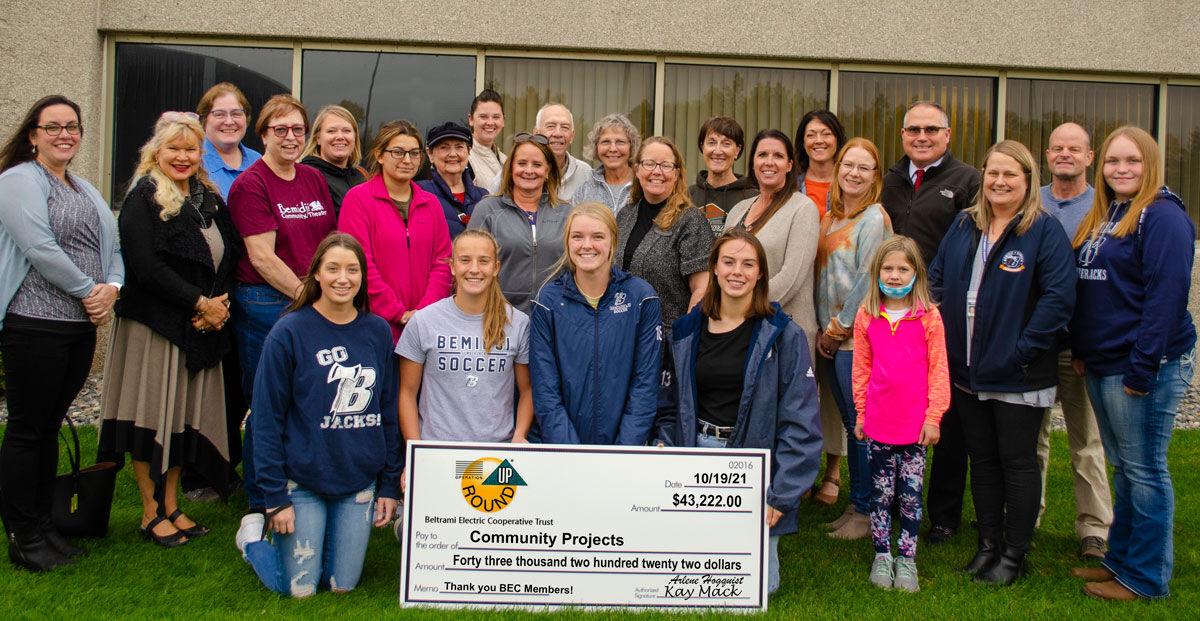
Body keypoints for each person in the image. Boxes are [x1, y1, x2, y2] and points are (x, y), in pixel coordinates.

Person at [930, 140, 1076, 585]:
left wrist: (1024, 349)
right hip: (967, 370)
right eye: (993, 173)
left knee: (1017, 462)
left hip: (1018, 372)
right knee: (983, 460)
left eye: (1010, 174)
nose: (999, 182)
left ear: (1028, 180)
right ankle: (988, 545)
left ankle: (1014, 554)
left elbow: (1058, 299)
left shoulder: (1043, 231)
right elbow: (936, 279)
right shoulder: (963, 225)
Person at [98, 112, 240, 547]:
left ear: (202, 154)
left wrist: (217, 306)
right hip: (155, 327)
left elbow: (230, 253)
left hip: (199, 327)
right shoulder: (144, 198)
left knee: (181, 420)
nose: (182, 156)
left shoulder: (207, 197)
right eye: (174, 148)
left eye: (190, 149)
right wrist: (199, 303)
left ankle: (173, 505)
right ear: (155, 152)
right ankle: (148, 511)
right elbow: (146, 266)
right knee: (151, 418)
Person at [1069, 126, 1195, 601]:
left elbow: (1166, 299)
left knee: (1145, 470)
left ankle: (1145, 577)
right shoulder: (1111, 214)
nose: (1121, 170)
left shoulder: (1162, 217)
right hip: (1104, 361)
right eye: (1113, 162)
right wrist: (1084, 350)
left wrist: (1143, 368)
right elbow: (1097, 292)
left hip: (1142, 366)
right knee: (1124, 466)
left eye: (1132, 161)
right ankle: (1119, 562)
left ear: (1151, 165)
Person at [238, 233, 400, 597]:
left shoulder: (376, 332)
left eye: (352, 270)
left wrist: (388, 485)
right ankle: (252, 542)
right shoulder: (289, 331)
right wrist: (274, 497)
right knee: (299, 589)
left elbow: (388, 413)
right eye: (333, 269)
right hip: (302, 480)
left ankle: (321, 546)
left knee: (342, 585)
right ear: (316, 275)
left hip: (357, 481)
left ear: (362, 278)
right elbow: (265, 420)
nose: (343, 278)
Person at [0, 95, 124, 571]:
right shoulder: (17, 182)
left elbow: (111, 244)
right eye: (52, 127)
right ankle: (22, 532)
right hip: (34, 323)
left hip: (78, 326)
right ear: (33, 134)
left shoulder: (83, 187)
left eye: (72, 126)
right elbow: (39, 246)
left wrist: (112, 287)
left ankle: (44, 524)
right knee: (28, 429)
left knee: (50, 426)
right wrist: (88, 290)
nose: (64, 134)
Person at [665, 227, 821, 595]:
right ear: (714, 269)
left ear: (760, 274)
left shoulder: (783, 335)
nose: (738, 272)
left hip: (753, 462)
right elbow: (668, 402)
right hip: (696, 451)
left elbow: (802, 422)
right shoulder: (687, 330)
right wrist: (663, 442)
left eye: (748, 264)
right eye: (729, 262)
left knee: (758, 588)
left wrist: (782, 494)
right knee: (688, 580)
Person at [227, 94, 335, 511]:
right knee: (268, 403)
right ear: (264, 134)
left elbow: (325, 240)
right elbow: (262, 257)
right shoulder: (250, 185)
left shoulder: (311, 178)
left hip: (309, 300)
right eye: (280, 130)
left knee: (305, 399)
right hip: (266, 303)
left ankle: (296, 485)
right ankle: (261, 499)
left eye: (298, 130)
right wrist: (309, 296)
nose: (290, 138)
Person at [881, 100, 982, 545]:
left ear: (947, 133)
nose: (921, 137)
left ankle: (942, 514)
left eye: (931, 129)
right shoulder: (890, 179)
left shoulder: (967, 181)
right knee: (895, 405)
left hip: (941, 314)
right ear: (903, 135)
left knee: (943, 415)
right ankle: (891, 504)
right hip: (890, 315)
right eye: (913, 130)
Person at [1030, 122, 1113, 561]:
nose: (1065, 154)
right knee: (1033, 439)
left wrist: (1089, 346)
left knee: (1086, 441)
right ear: (1047, 156)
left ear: (1089, 157)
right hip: (1036, 343)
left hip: (1080, 346)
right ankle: (1029, 515)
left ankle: (1094, 529)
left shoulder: (1103, 208)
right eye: (1058, 148)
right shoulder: (1032, 202)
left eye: (1074, 149)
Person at [852, 235, 949, 592]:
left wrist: (933, 416)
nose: (894, 276)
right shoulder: (867, 316)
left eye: (902, 269)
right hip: (878, 421)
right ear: (877, 272)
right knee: (880, 494)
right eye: (888, 269)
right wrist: (861, 413)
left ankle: (906, 558)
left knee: (909, 494)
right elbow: (861, 369)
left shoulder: (929, 318)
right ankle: (881, 554)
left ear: (916, 274)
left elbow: (939, 370)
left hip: (914, 425)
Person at [529, 203, 661, 445]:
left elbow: (645, 385)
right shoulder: (547, 301)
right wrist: (572, 455)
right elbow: (545, 390)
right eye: (577, 237)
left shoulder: (642, 297)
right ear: (567, 242)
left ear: (613, 241)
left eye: (598, 236)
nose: (587, 245)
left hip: (624, 454)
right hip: (564, 453)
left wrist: (623, 453)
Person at [814, 138, 892, 539]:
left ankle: (867, 511)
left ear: (875, 176)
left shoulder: (874, 218)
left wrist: (837, 328)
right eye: (848, 165)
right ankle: (858, 503)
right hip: (828, 338)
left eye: (864, 167)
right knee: (851, 424)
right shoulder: (830, 219)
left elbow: (867, 278)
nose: (854, 173)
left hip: (853, 339)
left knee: (861, 426)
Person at [397, 229, 533, 444]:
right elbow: (407, 393)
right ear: (452, 266)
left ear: (496, 267)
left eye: (484, 261)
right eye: (465, 260)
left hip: (496, 454)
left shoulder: (518, 323)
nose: (474, 269)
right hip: (437, 450)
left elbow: (527, 390)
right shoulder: (424, 321)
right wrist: (415, 452)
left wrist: (520, 434)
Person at [339, 120, 452, 340]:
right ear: (380, 155)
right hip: (374, 325)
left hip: (424, 328)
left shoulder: (431, 204)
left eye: (414, 153)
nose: (407, 160)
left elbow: (443, 262)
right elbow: (360, 263)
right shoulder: (358, 200)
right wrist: (397, 313)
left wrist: (424, 313)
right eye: (398, 152)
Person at [616, 136, 713, 337]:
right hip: (621, 332)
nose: (657, 171)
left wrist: (685, 336)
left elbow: (702, 288)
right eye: (649, 163)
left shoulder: (690, 220)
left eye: (666, 165)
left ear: (677, 173)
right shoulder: (625, 215)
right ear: (637, 170)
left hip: (666, 339)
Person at [468, 133, 572, 314]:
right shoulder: (488, 210)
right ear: (511, 168)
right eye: (522, 163)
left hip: (554, 317)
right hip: (499, 316)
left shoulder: (566, 213)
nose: (529, 170)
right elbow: (470, 266)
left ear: (547, 171)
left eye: (537, 165)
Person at [484, 103, 589, 200]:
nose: (558, 133)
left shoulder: (585, 174)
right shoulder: (514, 172)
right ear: (536, 133)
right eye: (551, 126)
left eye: (565, 127)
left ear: (572, 136)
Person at [417, 121, 488, 238]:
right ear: (430, 154)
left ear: (468, 152)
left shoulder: (483, 196)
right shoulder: (419, 192)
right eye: (444, 147)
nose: (453, 154)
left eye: (459, 147)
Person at [688, 116, 757, 235]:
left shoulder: (753, 199)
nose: (718, 151)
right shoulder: (686, 197)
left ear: (737, 151)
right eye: (712, 143)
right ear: (702, 147)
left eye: (726, 144)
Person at [196, 83, 262, 200]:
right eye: (219, 114)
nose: (229, 121)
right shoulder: (194, 160)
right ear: (204, 120)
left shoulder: (258, 160)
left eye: (236, 114)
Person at [299, 104, 366, 216]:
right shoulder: (307, 177)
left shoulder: (361, 176)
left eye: (346, 131)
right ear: (318, 138)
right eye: (331, 131)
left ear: (355, 137)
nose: (340, 136)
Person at [573, 113, 640, 214]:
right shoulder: (584, 191)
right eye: (606, 142)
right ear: (596, 147)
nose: (613, 149)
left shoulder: (643, 184)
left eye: (620, 142)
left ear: (631, 146)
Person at [794, 109, 847, 218]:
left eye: (826, 134)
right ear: (803, 142)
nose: (818, 140)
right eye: (811, 135)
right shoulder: (790, 184)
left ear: (838, 140)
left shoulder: (851, 182)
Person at [466, 89, 506, 190]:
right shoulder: (464, 159)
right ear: (471, 119)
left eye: (496, 117)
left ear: (503, 121)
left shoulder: (507, 161)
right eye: (483, 117)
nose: (490, 122)